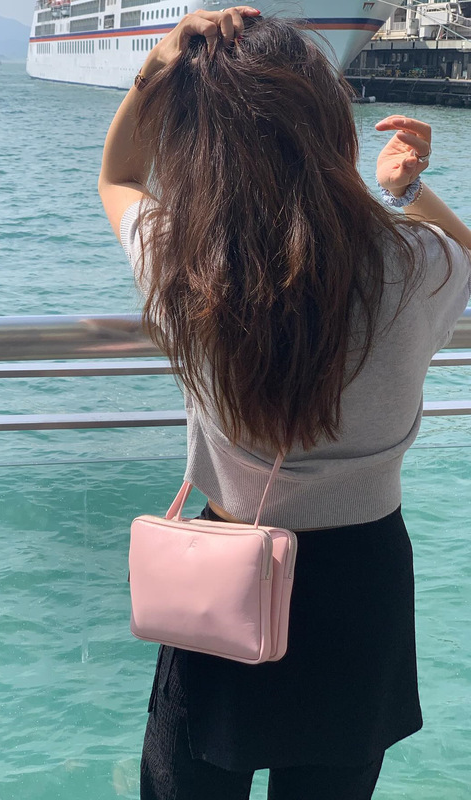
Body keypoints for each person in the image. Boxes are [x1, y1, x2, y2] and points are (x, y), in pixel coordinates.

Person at [98, 10, 471, 800]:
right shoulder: (416, 265)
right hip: (362, 583)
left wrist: (161, 62)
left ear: (205, 147)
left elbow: (119, 176)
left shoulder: (184, 263)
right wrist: (406, 192)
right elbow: (465, 256)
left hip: (224, 572)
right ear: (337, 132)